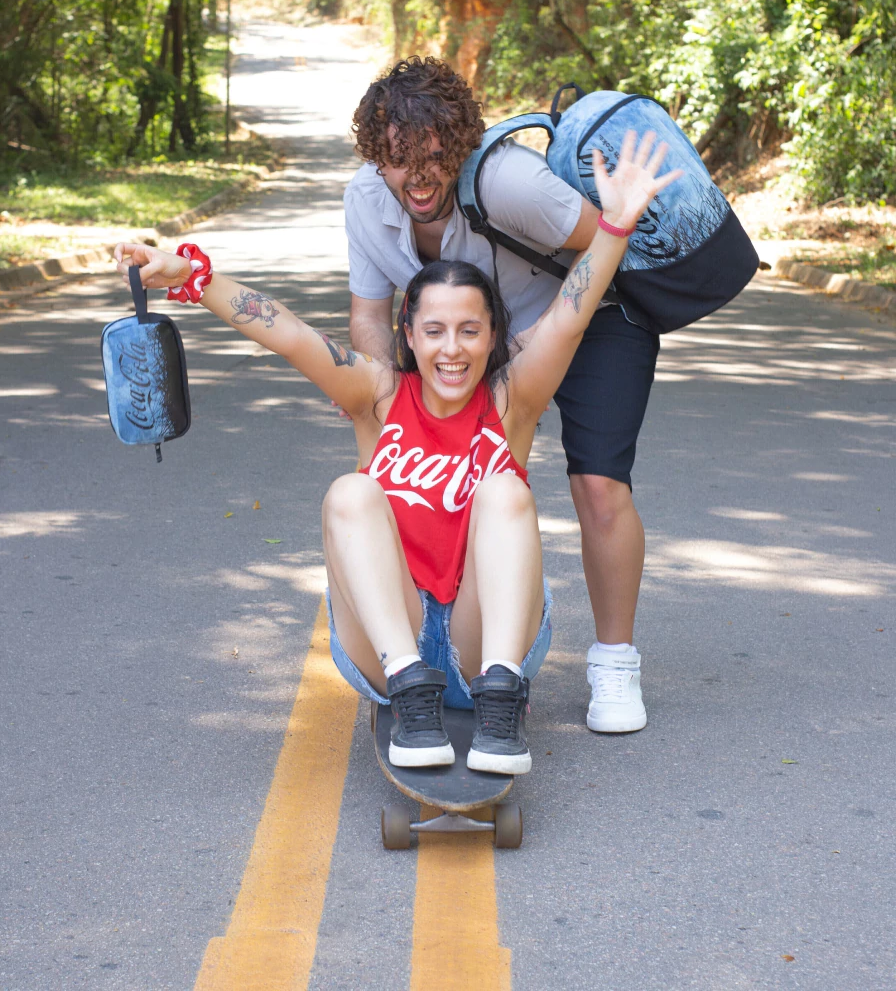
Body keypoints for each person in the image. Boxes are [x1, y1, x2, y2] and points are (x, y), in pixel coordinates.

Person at [114, 131, 678, 774]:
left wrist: (614, 226)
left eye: (470, 330)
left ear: (493, 336)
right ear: (407, 334)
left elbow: (571, 317)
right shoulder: (376, 394)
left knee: (506, 490)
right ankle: (412, 693)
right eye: (433, 330)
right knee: (350, 493)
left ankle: (501, 701)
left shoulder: (512, 398)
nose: (451, 349)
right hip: (391, 642)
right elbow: (287, 332)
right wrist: (193, 276)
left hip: (484, 639)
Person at [347, 56, 663, 734]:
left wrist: (529, 348)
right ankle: (427, 634)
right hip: (477, 341)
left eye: (433, 157)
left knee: (598, 485)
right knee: (452, 485)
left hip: (590, 315)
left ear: (459, 147)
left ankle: (614, 664)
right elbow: (370, 314)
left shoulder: (509, 182)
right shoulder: (366, 200)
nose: (417, 176)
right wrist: (388, 407)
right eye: (398, 160)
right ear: (377, 157)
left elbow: (603, 244)